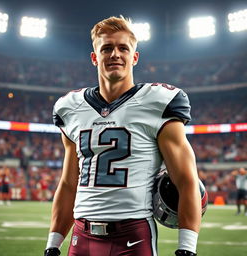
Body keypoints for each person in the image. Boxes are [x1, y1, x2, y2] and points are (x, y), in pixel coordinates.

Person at [44, 16, 202, 256]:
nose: (115, 54)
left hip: (133, 234)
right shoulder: (70, 108)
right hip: (81, 236)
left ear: (134, 57)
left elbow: (186, 179)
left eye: (123, 48)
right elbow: (68, 184)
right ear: (95, 57)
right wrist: (53, 244)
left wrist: (187, 248)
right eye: (106, 48)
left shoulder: (158, 102)